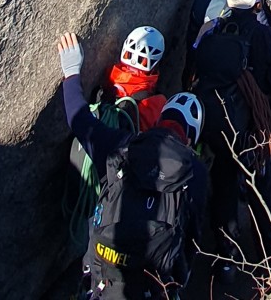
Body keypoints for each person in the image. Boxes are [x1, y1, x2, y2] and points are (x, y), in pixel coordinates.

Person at [56, 32, 208, 299]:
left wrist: (71, 72)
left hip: (103, 279)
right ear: (192, 137)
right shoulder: (196, 173)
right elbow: (192, 236)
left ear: (160, 120)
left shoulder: (122, 146)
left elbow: (78, 119)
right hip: (151, 287)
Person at [187, 0, 271, 266]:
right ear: (258, 2)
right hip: (252, 130)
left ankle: (226, 257)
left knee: (223, 189)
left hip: (217, 126)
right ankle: (270, 255)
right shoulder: (265, 36)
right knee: (261, 191)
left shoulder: (212, 32)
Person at [183, 0, 243, 86]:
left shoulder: (201, 0)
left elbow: (191, 37)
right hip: (229, 66)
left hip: (199, 64)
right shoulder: (243, 0)